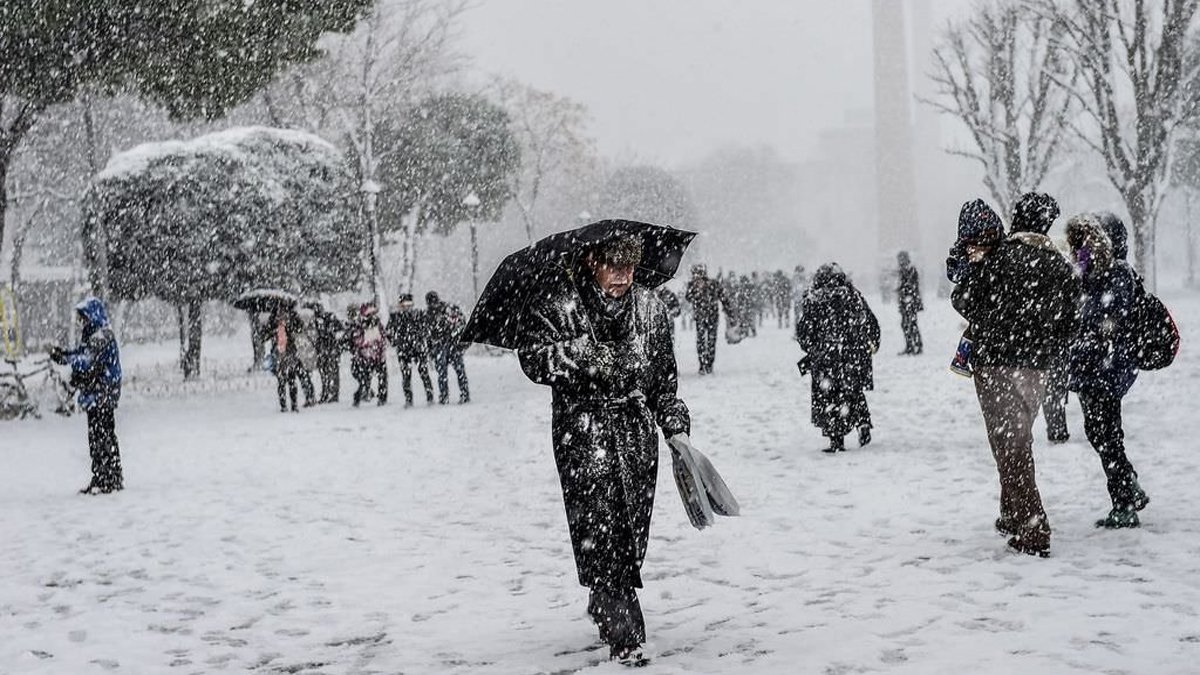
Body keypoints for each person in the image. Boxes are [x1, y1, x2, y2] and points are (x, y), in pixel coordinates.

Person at [517, 234, 690, 664]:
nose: (623, 277)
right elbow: (534, 358)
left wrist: (673, 422)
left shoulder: (650, 308)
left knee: (631, 536)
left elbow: (663, 377)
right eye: (614, 266)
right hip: (583, 434)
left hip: (635, 438)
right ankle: (625, 635)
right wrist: (588, 356)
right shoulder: (559, 303)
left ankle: (603, 596)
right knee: (603, 531)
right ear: (592, 262)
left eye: (630, 267)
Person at [951, 193, 1079, 557]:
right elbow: (1070, 320)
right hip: (1037, 367)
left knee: (1010, 446)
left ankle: (1033, 527)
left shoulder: (999, 259)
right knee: (1017, 441)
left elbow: (966, 301)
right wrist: (1044, 341)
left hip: (995, 364)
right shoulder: (1057, 263)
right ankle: (1011, 513)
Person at [1066, 212, 1150, 528]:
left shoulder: (1118, 273)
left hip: (1106, 368)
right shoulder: (1085, 271)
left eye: (1088, 242)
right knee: (1099, 433)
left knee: (1108, 436)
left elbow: (1115, 319)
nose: (1082, 248)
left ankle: (1124, 502)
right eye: (1079, 243)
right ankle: (1129, 487)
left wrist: (1091, 332)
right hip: (1090, 368)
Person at [796, 263, 879, 453]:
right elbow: (870, 322)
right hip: (852, 355)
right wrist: (870, 343)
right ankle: (862, 422)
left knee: (828, 397)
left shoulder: (814, 299)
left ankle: (836, 439)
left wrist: (813, 348)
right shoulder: (853, 296)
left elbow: (804, 332)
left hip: (826, 358)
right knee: (853, 392)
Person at [50, 297, 123, 494]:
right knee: (100, 435)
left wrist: (68, 363)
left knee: (102, 435)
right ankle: (107, 476)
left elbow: (88, 361)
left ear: (92, 315)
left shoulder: (102, 336)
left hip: (103, 393)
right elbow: (82, 354)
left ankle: (107, 478)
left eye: (84, 317)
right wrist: (65, 355)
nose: (82, 321)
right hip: (99, 393)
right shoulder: (94, 334)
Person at [387, 293, 435, 408]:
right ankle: (408, 399)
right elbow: (388, 332)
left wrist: (426, 344)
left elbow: (427, 330)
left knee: (424, 373)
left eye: (409, 304)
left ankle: (430, 396)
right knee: (406, 376)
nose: (407, 307)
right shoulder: (395, 317)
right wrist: (395, 342)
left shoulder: (418, 314)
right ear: (400, 305)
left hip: (418, 349)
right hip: (403, 350)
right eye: (404, 304)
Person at [425, 291, 470, 405]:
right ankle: (450, 395)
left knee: (451, 372)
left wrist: (460, 342)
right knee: (445, 373)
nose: (433, 305)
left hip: (449, 345)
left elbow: (461, 324)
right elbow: (428, 335)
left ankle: (457, 395)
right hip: (443, 346)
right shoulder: (430, 314)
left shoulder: (447, 310)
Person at [684, 264, 723, 375]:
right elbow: (688, 297)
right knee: (701, 341)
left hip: (712, 317)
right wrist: (696, 290)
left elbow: (723, 298)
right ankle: (702, 364)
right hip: (700, 317)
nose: (696, 276)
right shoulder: (692, 285)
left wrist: (731, 314)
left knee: (711, 341)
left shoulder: (713, 284)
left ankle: (709, 364)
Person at [349, 303, 388, 406]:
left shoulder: (378, 325)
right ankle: (360, 396)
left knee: (382, 377)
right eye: (369, 314)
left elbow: (383, 338)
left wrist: (379, 348)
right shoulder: (359, 326)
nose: (372, 317)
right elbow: (357, 341)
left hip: (377, 356)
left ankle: (382, 398)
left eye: (373, 314)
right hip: (365, 358)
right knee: (364, 379)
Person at [268, 307, 303, 412]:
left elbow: (299, 327)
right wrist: (274, 328)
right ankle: (284, 405)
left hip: (289, 351)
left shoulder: (291, 315)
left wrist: (290, 323)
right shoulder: (273, 318)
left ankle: (294, 404)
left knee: (291, 379)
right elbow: (265, 333)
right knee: (282, 381)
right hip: (279, 353)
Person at [311, 305, 344, 403]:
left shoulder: (329, 318)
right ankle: (327, 392)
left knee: (331, 371)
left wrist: (332, 335)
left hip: (330, 348)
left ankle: (332, 393)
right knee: (325, 372)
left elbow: (340, 330)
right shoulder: (318, 321)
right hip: (324, 349)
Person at [895, 251, 923, 355]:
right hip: (906, 301)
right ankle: (911, 345)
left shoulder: (910, 270)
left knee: (911, 324)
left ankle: (916, 345)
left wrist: (905, 292)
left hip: (910, 301)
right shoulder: (904, 270)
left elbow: (911, 286)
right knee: (906, 324)